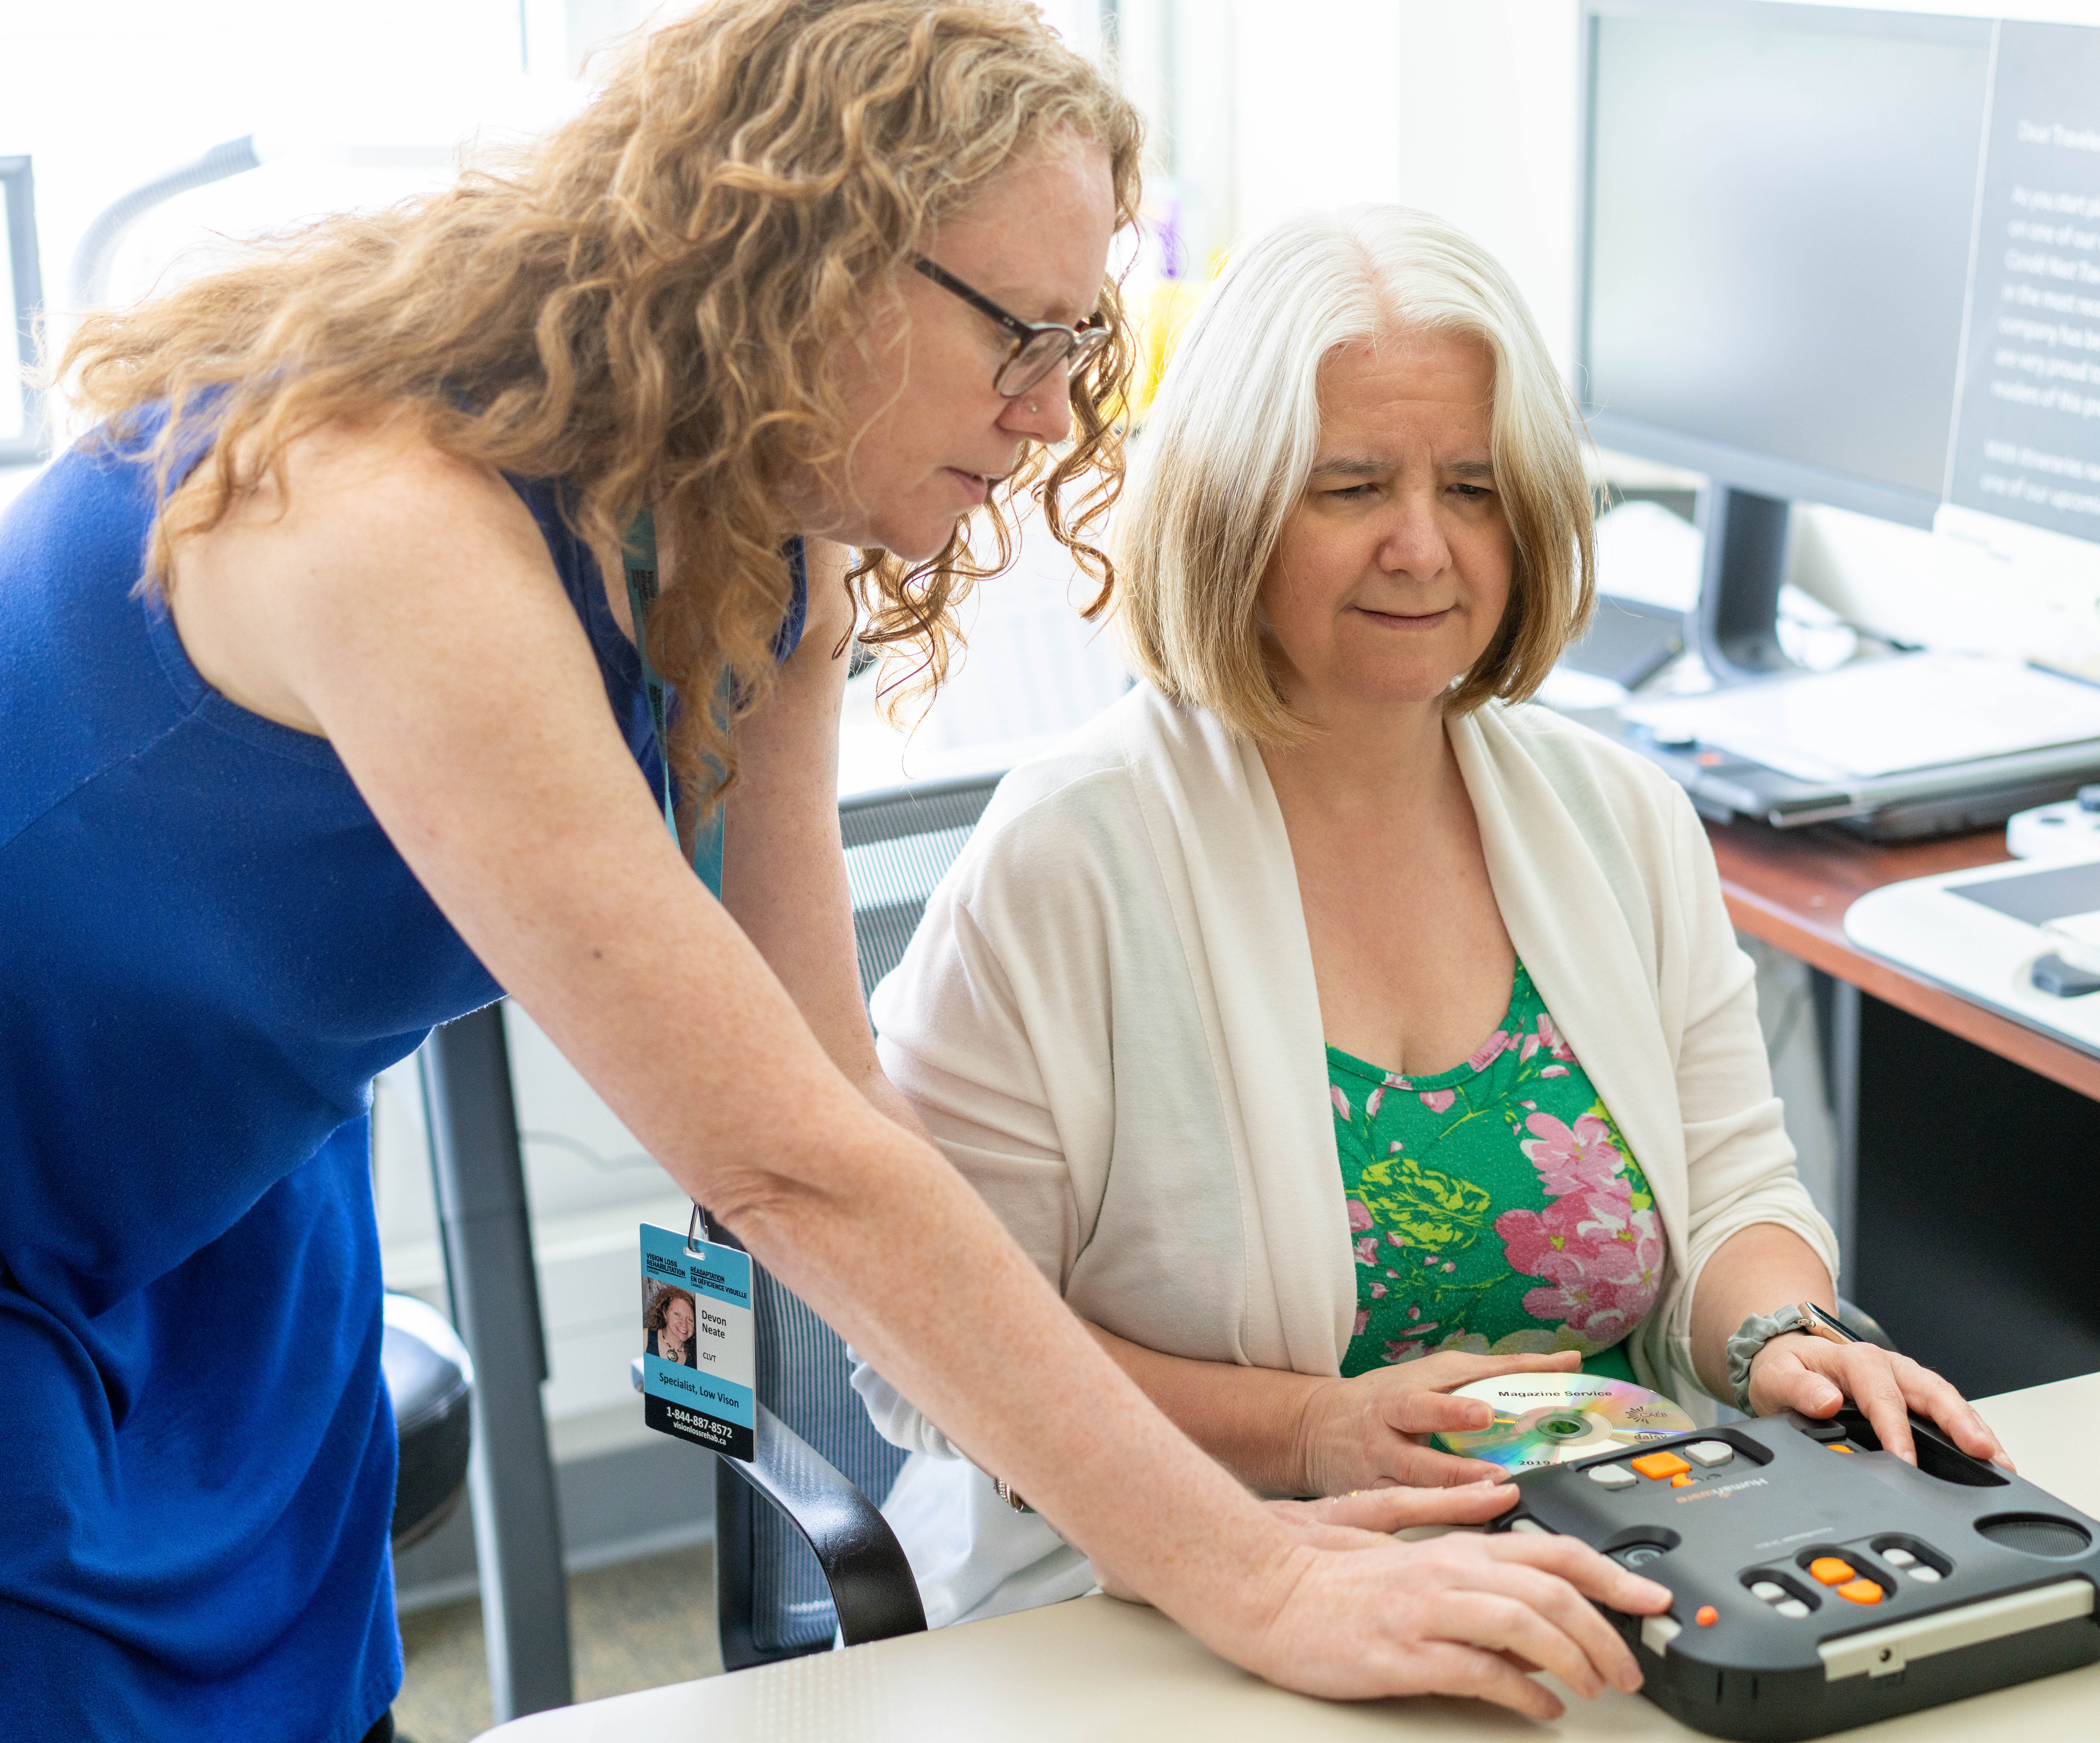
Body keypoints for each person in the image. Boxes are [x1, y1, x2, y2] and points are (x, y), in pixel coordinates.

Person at [0, 8, 1669, 1736]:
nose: (1044, 416)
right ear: (801, 256)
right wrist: (1262, 1570)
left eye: (1079, 340)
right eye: (1017, 337)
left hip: (222, 1193)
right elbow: (779, 1164)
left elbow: (829, 1103)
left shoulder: (760, 536)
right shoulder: (387, 523)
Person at [858, 205, 2009, 1624]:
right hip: (1169, 1584)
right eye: (1351, 487)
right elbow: (938, 1356)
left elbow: (1732, 1196)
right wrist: (1301, 1427)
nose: (1423, 547)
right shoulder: (1068, 858)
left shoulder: (1617, 814)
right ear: (1231, 505)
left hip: (1618, 1558)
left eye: (1472, 487)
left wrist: (1778, 1334)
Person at [646, 1286, 699, 1370]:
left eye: (690, 1320)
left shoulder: (698, 1357)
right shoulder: (645, 1338)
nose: (684, 1324)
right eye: (678, 1315)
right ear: (665, 1313)